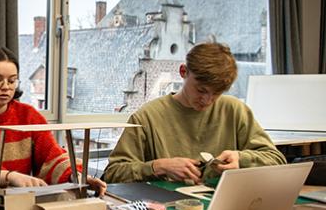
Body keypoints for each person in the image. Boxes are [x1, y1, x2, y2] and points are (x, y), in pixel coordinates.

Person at [103, 42, 286, 184]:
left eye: (216, 93)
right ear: (183, 72)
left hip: (224, 205)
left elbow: (277, 159)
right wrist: (158, 166)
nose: (207, 100)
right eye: (201, 90)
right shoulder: (147, 117)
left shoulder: (235, 111)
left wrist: (242, 159)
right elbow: (112, 174)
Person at [0, 45, 106, 195]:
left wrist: (76, 176)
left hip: (15, 202)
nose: (6, 87)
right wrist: (9, 176)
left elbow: (52, 157)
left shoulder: (29, 116)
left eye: (12, 80)